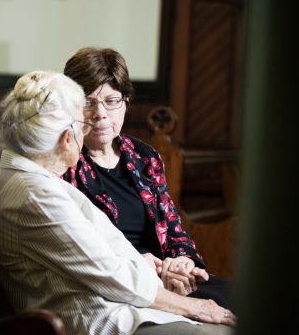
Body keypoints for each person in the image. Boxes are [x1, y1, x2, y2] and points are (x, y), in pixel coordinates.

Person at [0, 70, 234, 335]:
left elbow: (101, 257)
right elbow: (111, 275)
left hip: (116, 307)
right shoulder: (34, 194)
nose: (91, 125)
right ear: (66, 138)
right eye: (82, 122)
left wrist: (147, 263)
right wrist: (194, 307)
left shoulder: (34, 181)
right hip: (98, 327)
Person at [62, 47, 230, 307]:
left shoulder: (143, 156)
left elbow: (173, 228)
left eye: (111, 100)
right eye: (87, 102)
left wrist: (183, 261)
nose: (100, 113)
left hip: (167, 278)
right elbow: (79, 248)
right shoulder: (65, 162)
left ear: (126, 101)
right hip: (121, 289)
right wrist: (142, 264)